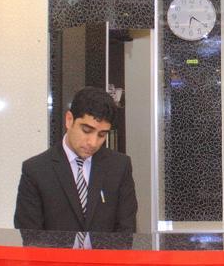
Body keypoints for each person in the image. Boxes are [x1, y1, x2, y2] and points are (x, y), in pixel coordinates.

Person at [14, 86, 138, 232]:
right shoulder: (36, 170)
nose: (93, 142)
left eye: (102, 135)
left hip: (108, 248)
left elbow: (126, 230)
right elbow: (29, 235)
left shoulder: (119, 166)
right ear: (69, 120)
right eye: (86, 130)